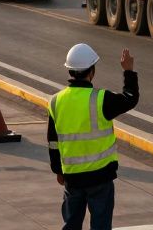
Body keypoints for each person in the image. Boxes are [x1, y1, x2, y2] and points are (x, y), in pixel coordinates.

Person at [48, 44, 138, 230]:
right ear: (92, 72)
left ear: (70, 71)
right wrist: (128, 71)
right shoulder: (101, 99)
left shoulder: (56, 101)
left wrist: (58, 170)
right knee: (101, 225)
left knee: (71, 224)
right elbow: (130, 98)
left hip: (72, 178)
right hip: (100, 178)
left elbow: (53, 142)